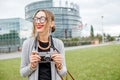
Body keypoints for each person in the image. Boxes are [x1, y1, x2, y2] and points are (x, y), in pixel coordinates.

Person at [20, 9, 67, 80]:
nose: (38, 22)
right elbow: (23, 73)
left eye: (42, 19)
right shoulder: (27, 44)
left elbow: (63, 73)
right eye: (36, 19)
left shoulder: (59, 44)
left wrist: (59, 65)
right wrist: (31, 66)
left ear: (51, 23)